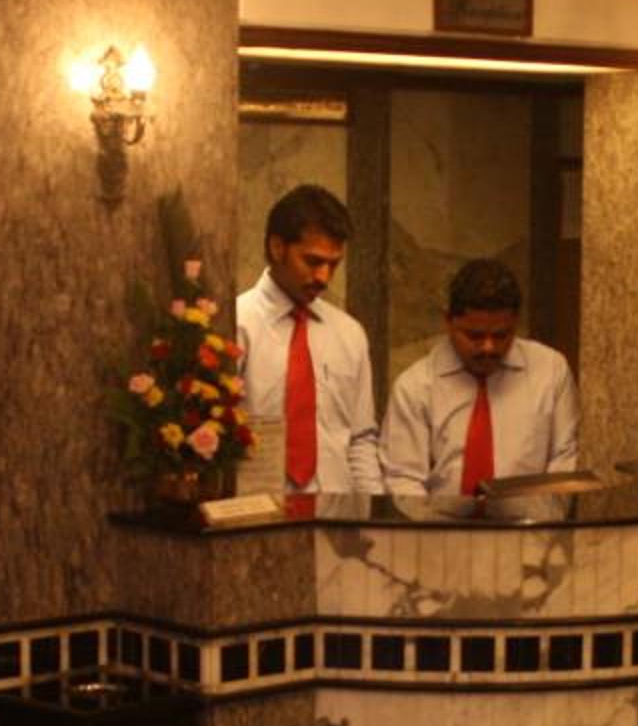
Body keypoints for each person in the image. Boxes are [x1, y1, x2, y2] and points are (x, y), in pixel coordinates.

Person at [381, 259, 580, 495]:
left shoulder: (550, 371)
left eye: (501, 335)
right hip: (440, 516)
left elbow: (564, 459)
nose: (488, 347)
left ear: (515, 323)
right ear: (448, 322)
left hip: (531, 516)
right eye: (474, 336)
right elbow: (403, 478)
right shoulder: (415, 387)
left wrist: (542, 514)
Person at [235, 183, 383, 496]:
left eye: (334, 264)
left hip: (337, 513)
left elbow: (360, 440)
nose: (324, 277)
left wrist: (373, 511)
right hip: (256, 512)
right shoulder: (236, 324)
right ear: (278, 247)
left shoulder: (349, 334)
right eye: (313, 262)